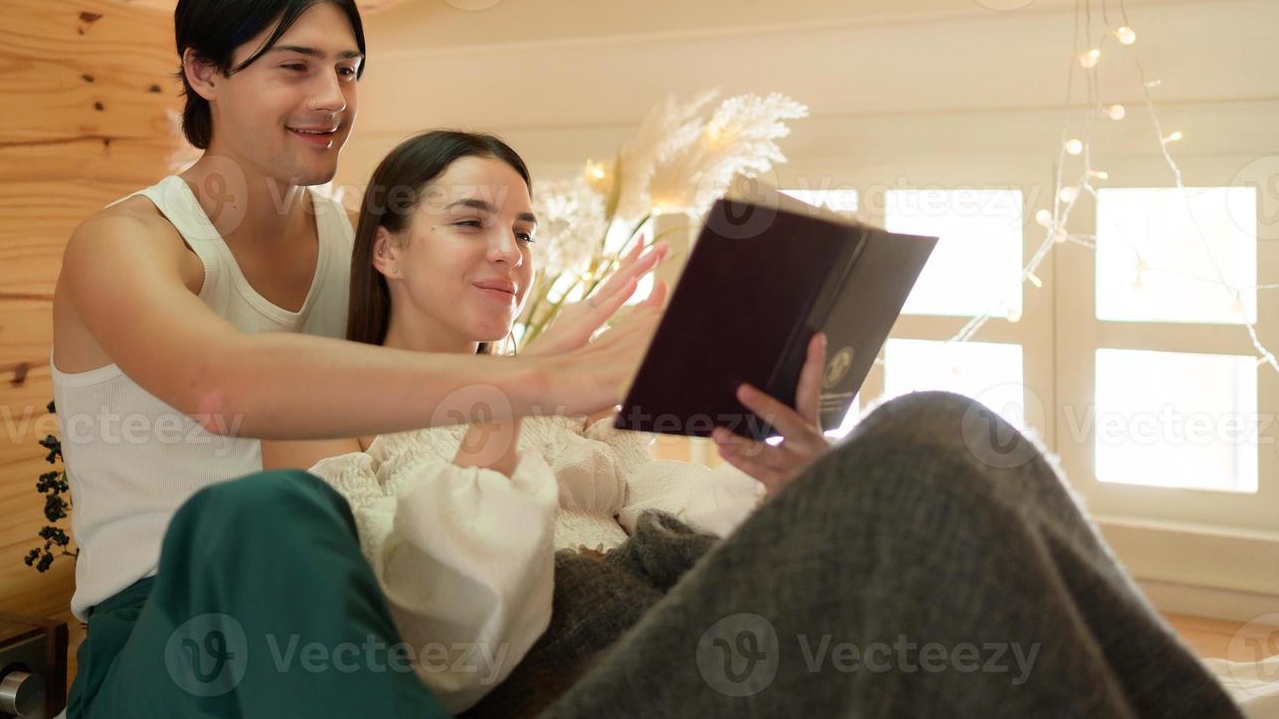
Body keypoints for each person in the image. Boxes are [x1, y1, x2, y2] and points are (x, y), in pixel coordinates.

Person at [272, 129, 1244, 718]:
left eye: (523, 228)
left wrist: (800, 492)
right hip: (573, 680)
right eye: (471, 221)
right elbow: (449, 649)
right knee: (921, 450)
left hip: (696, 618)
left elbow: (680, 509)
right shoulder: (334, 424)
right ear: (388, 248)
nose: (509, 253)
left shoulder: (575, 408)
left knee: (937, 421)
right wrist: (507, 411)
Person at [52, 0, 665, 717]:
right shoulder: (126, 244)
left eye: (348, 68)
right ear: (205, 72)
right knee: (265, 508)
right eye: (294, 66)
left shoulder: (356, 236)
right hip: (167, 621)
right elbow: (227, 387)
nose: (333, 95)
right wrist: (534, 377)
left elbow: (448, 354)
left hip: (344, 596)